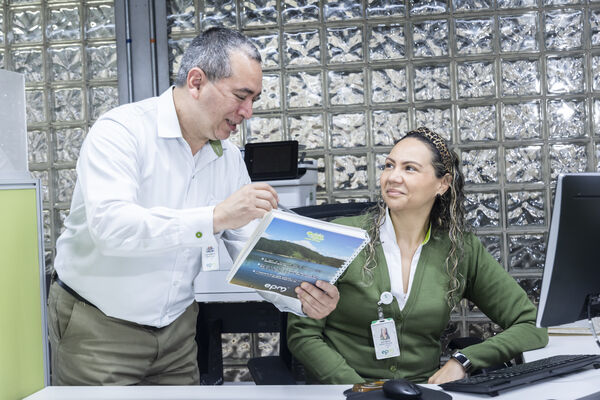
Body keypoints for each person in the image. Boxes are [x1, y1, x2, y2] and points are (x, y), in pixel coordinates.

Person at [47, 27, 339, 386]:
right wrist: (215, 217)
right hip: (100, 327)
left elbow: (250, 244)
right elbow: (112, 227)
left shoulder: (228, 157)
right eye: (240, 96)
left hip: (177, 331)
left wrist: (303, 297)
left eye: (254, 100)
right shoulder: (121, 132)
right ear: (197, 82)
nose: (247, 112)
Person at [287, 127, 548, 385]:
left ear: (442, 184)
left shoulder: (461, 249)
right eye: (389, 166)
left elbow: (531, 325)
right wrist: (361, 391)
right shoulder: (339, 237)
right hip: (346, 392)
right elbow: (303, 335)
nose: (393, 177)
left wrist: (464, 360)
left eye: (409, 168)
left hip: (421, 392)